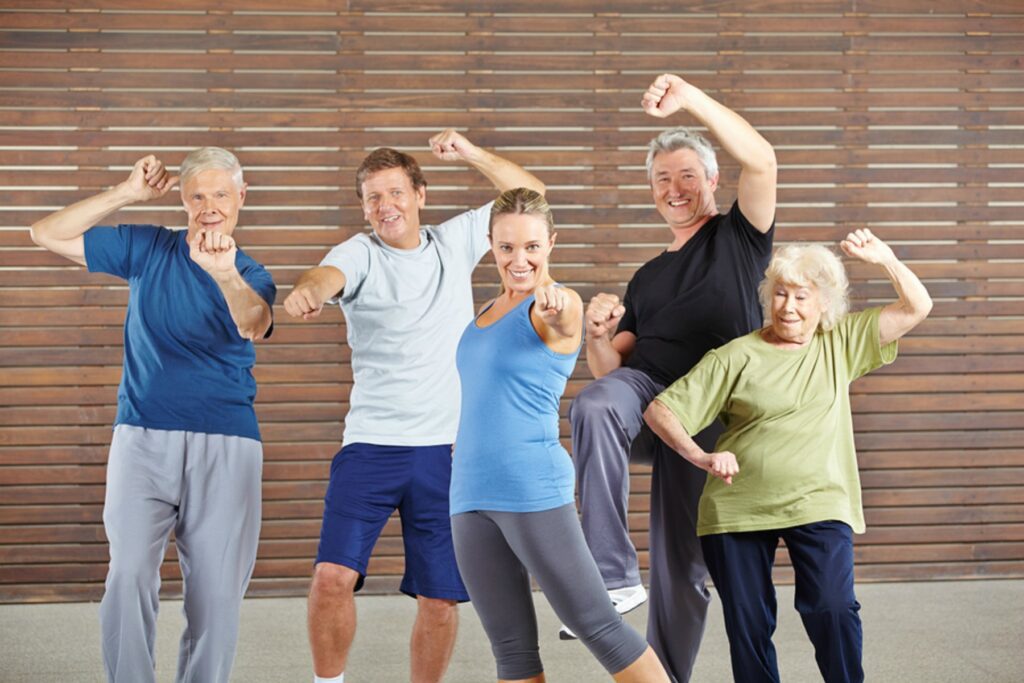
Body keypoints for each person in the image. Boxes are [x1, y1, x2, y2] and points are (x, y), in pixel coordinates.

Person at [283, 130, 545, 683]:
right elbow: (326, 276)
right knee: (332, 577)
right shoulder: (358, 253)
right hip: (371, 446)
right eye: (373, 198)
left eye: (396, 193)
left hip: (447, 451)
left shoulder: (452, 241)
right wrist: (311, 289)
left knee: (439, 598)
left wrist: (472, 154)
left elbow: (531, 193)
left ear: (420, 194)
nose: (386, 207)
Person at [29, 149, 276, 683]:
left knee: (215, 594)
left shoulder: (252, 271)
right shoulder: (147, 246)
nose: (209, 207)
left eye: (220, 195)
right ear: (183, 200)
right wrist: (125, 194)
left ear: (241, 197)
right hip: (142, 437)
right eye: (197, 196)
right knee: (129, 574)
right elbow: (45, 233)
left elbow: (254, 322)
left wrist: (224, 273)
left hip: (226, 444)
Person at [644, 230, 932, 683]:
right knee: (749, 624)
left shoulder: (841, 343)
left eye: (801, 296)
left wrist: (887, 259)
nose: (788, 307)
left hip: (819, 501)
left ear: (824, 305)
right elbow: (661, 411)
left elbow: (917, 307)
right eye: (779, 294)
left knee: (832, 607)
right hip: (737, 508)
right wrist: (700, 456)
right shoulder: (736, 356)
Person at [565, 73, 777, 680]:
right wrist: (598, 336)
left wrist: (689, 99)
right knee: (596, 402)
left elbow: (761, 158)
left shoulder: (739, 239)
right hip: (645, 394)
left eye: (688, 175)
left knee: (683, 567)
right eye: (663, 179)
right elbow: (613, 374)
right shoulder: (648, 276)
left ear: (712, 180)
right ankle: (610, 573)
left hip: (708, 414)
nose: (675, 189)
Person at [449, 187, 669, 683]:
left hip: (529, 488)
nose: (519, 259)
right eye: (506, 247)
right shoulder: (487, 310)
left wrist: (558, 307)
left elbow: (565, 317)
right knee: (510, 651)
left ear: (551, 242)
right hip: (468, 494)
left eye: (531, 246)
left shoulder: (556, 302)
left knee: (598, 626)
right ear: (491, 246)